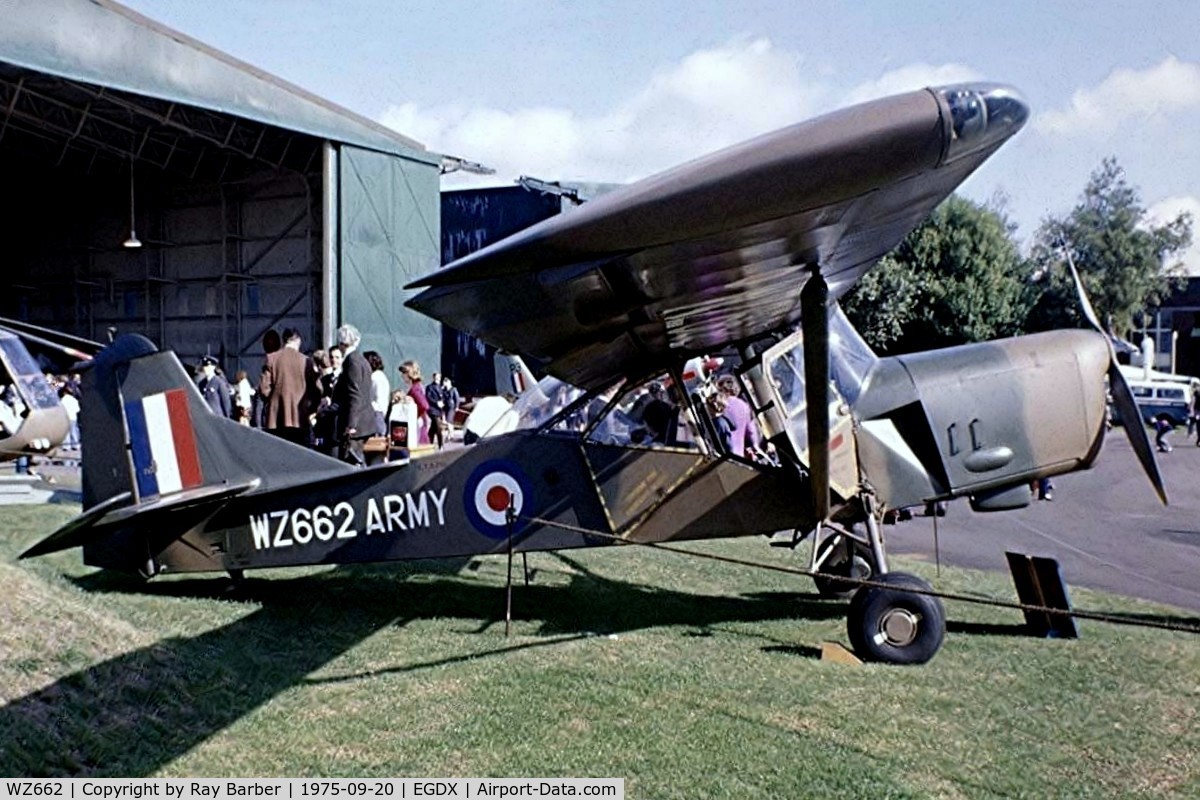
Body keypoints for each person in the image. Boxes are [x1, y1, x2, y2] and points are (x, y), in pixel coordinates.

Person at [260, 328, 318, 445]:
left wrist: (272, 402)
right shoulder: (306, 361)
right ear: (298, 341)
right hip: (300, 418)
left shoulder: (271, 359)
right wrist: (311, 409)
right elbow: (317, 391)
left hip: (276, 419)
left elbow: (263, 389)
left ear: (283, 341)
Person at [332, 324, 375, 467]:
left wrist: (351, 424)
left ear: (341, 343)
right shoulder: (362, 360)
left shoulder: (351, 361)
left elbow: (354, 394)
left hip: (356, 424)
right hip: (365, 421)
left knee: (352, 463)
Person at [716, 374, 760, 458]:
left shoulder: (718, 404)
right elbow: (751, 435)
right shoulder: (745, 407)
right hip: (738, 458)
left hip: (719, 455)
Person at [397, 361, 430, 445]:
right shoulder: (418, 386)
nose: (402, 375)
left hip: (418, 426)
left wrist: (414, 415)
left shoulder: (415, 389)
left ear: (409, 373)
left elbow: (424, 405)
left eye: (404, 373)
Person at [363, 350, 390, 437]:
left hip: (375, 414)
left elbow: (377, 399)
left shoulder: (375, 377)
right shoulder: (380, 376)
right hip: (378, 414)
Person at [425, 371, 446, 449]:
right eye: (436, 377)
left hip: (439, 410)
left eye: (439, 378)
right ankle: (441, 445)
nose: (438, 379)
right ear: (433, 378)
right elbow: (428, 397)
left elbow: (443, 397)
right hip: (433, 410)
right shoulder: (429, 387)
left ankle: (429, 443)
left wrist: (442, 403)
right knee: (438, 427)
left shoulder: (440, 387)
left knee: (433, 428)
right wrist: (436, 403)